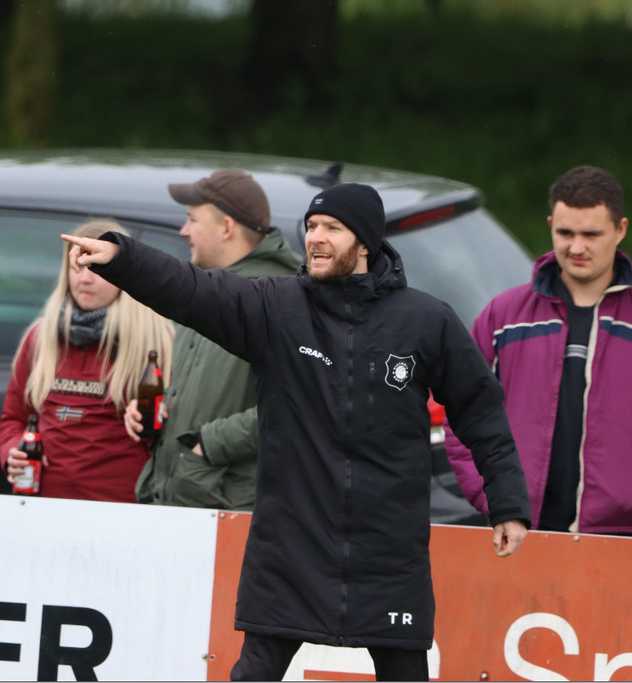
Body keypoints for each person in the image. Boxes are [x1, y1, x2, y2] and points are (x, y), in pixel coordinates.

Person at [62, 182, 531, 681]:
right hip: (290, 548)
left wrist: (507, 503)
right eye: (311, 226)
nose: (316, 237)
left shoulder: (426, 320)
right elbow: (191, 290)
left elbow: (480, 411)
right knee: (254, 674)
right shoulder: (276, 308)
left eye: (332, 227)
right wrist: (122, 258)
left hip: (389, 555)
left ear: (365, 242)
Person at [445, 165, 632, 536]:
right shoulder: (503, 315)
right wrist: (492, 495)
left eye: (591, 234)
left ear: (620, 230)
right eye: (565, 233)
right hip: (519, 531)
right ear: (550, 224)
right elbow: (462, 411)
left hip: (617, 535)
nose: (576, 248)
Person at [123, 169, 300, 510]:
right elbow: (210, 393)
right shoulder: (203, 290)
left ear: (227, 227)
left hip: (231, 511)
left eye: (192, 220)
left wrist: (208, 444)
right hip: (182, 502)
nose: (183, 231)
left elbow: (300, 407)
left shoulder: (282, 299)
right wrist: (156, 410)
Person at [0, 220, 174, 502]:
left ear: (125, 274)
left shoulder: (155, 341)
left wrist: (151, 422)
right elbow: (14, 418)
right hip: (43, 506)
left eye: (96, 268)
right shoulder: (40, 337)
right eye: (76, 267)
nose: (85, 279)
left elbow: (180, 434)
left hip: (122, 510)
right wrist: (12, 452)